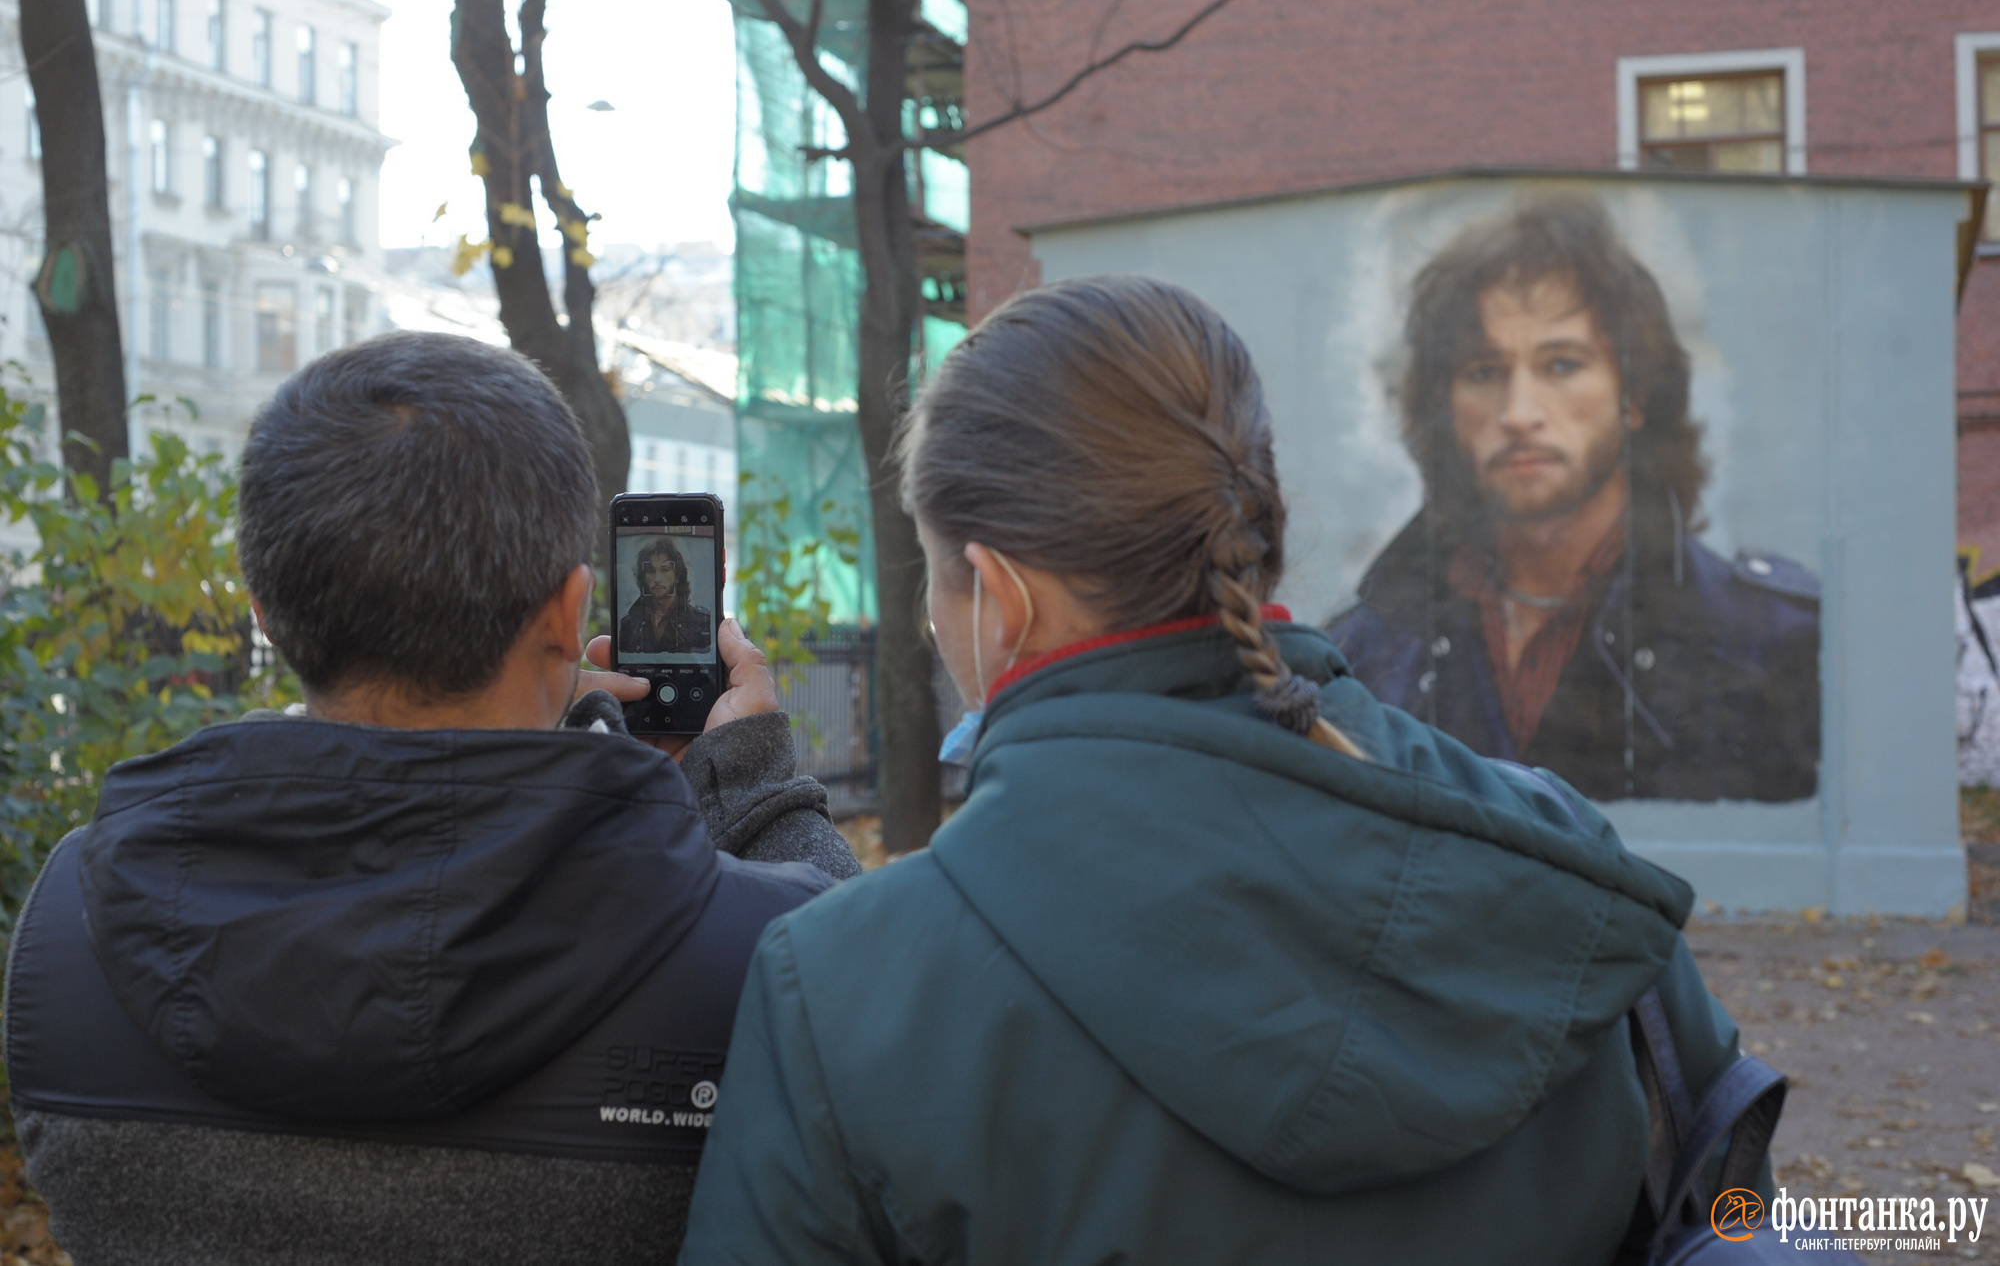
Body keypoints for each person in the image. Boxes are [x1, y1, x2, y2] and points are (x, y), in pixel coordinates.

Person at [678, 276, 1754, 1263]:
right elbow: (1726, 1218)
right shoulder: (1556, 865)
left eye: (931, 575)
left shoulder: (842, 989)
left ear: (999, 597)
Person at [4, 332, 859, 1264]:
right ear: (573, 615)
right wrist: (754, 783)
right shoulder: (759, 959)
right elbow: (876, 1030)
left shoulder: (69, 932)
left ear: (262, 603)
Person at [1328, 194, 1819, 802]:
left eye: (1561, 364)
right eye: (1483, 371)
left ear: (1634, 396)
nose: (1519, 414)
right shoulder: (1360, 656)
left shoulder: (1773, 644)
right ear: (1444, 409)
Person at [620, 535, 714, 653]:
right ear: (643, 577)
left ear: (677, 575)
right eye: (650, 571)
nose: (657, 578)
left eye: (664, 570)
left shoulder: (702, 622)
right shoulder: (628, 625)